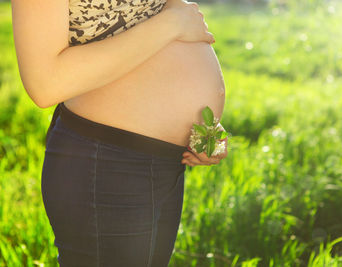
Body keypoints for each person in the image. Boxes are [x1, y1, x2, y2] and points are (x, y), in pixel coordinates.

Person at [11, 0, 228, 265]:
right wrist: (172, 24)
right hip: (107, 162)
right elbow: (44, 83)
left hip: (162, 161)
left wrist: (199, 125)